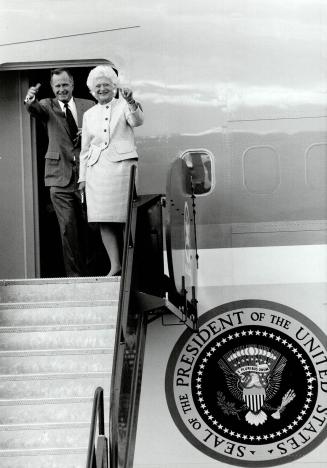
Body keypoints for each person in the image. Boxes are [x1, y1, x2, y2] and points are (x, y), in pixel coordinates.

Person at [24, 68, 94, 276]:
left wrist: (89, 133)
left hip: (87, 177)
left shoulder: (88, 106)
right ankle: (75, 278)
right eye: (57, 86)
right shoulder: (47, 105)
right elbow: (34, 109)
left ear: (72, 84)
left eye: (65, 85)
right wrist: (29, 100)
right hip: (59, 178)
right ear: (52, 88)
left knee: (92, 228)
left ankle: (94, 274)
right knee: (67, 230)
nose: (62, 89)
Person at [78, 65, 144, 276]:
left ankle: (131, 265)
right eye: (98, 86)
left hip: (122, 168)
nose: (102, 89)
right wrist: (82, 178)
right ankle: (115, 265)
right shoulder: (88, 114)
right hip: (97, 171)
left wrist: (132, 102)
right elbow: (85, 149)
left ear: (114, 87)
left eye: (106, 84)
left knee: (125, 218)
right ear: (92, 90)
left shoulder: (124, 105)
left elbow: (137, 120)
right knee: (102, 219)